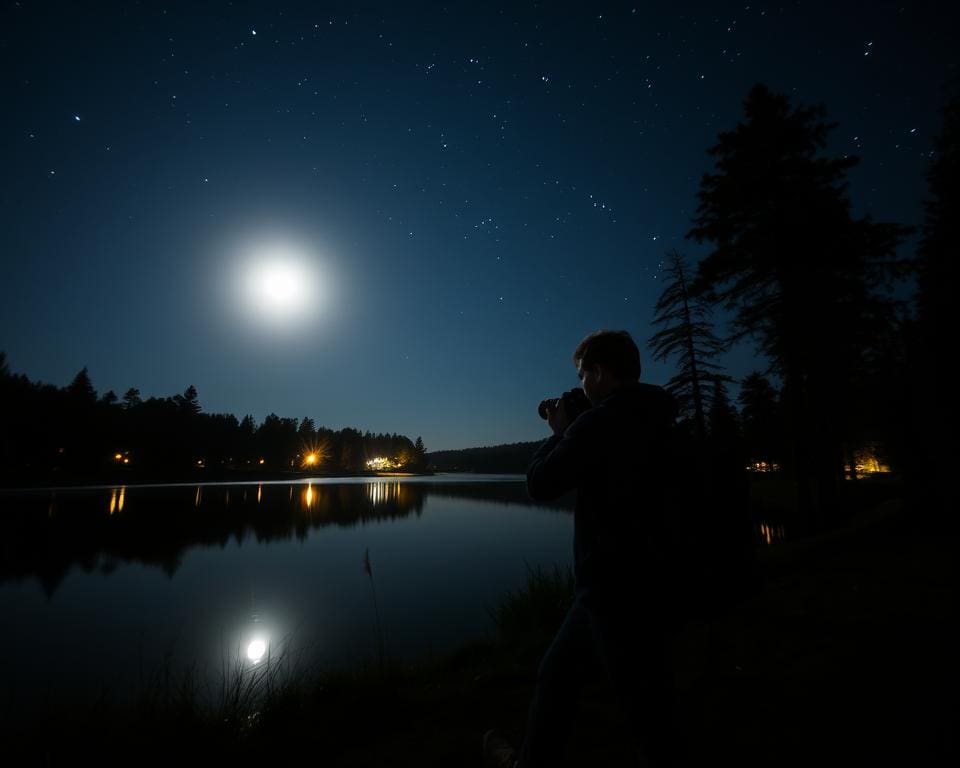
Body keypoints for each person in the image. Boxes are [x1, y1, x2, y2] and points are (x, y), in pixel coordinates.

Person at [484, 329, 680, 768]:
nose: (582, 384)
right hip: (652, 574)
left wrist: (559, 432)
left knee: (649, 715)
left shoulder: (602, 422)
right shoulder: (655, 415)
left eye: (582, 374)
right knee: (557, 674)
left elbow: (541, 484)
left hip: (614, 587)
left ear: (600, 371)